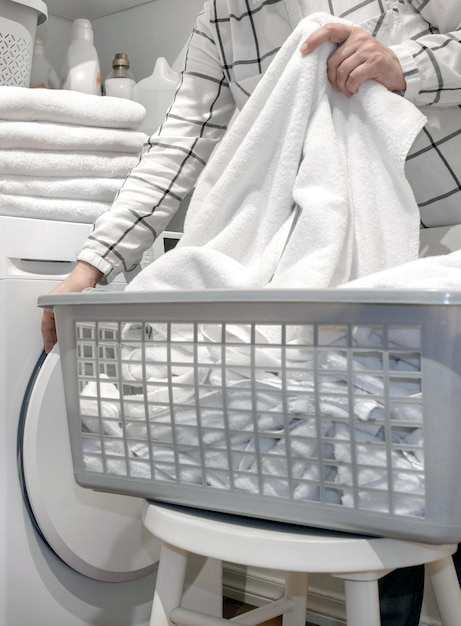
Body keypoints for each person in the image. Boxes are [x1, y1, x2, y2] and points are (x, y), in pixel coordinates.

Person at [41, 2, 461, 623]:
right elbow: (179, 143)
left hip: (437, 252)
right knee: (370, 452)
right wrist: (90, 267)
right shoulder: (221, 18)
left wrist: (407, 66)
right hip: (314, 280)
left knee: (425, 478)